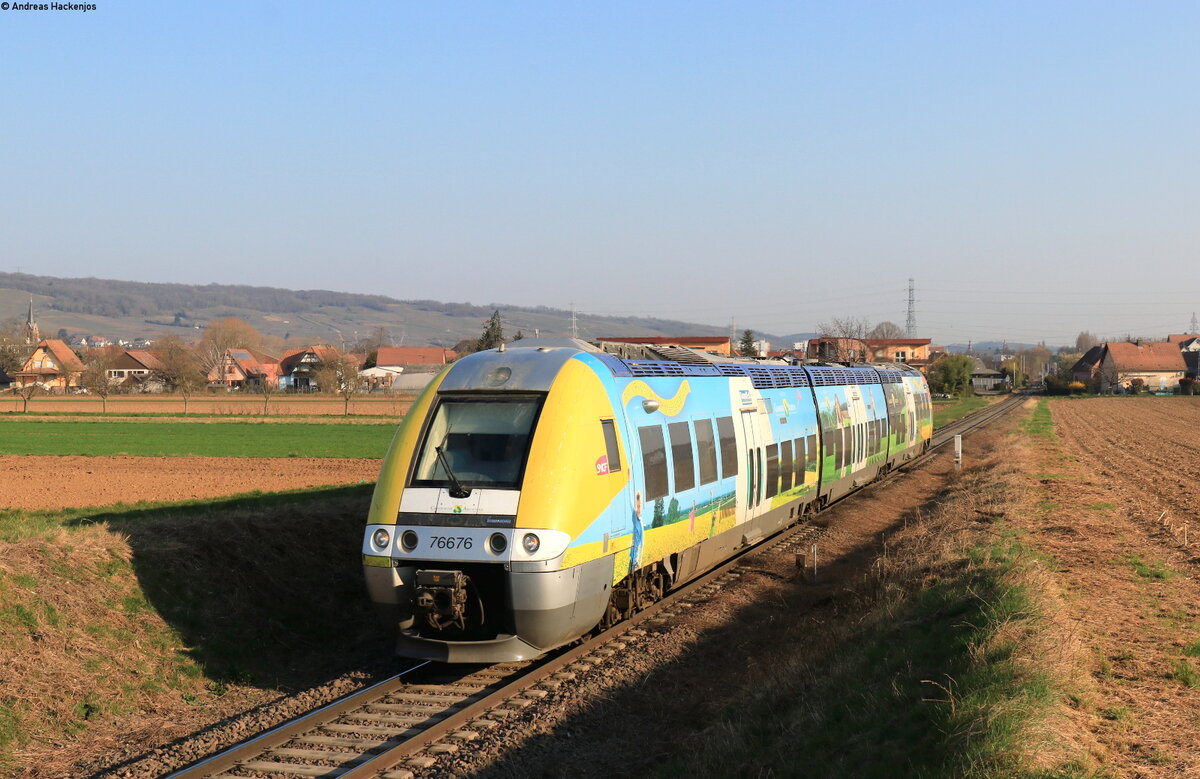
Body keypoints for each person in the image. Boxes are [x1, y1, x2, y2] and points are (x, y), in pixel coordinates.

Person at [630, 491, 644, 573]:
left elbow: (638, 507)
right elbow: (638, 507)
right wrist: (638, 498)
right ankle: (635, 565)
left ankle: (634, 565)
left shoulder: (635, 517)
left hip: (634, 546)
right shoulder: (638, 517)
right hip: (635, 559)